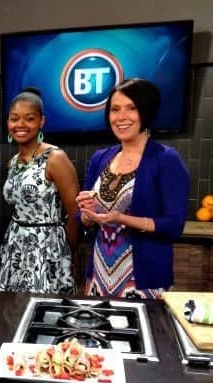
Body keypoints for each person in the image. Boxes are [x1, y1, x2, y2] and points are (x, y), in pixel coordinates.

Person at [76, 78, 189, 298]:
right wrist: (88, 213)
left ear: (146, 112)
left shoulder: (166, 159)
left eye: (131, 108)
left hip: (143, 280)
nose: (121, 117)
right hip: (99, 276)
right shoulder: (100, 158)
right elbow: (82, 218)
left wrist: (122, 219)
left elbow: (174, 226)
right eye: (115, 109)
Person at [0, 87, 79, 294]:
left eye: (29, 119)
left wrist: (66, 255)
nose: (20, 125)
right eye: (14, 119)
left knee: (45, 314)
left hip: (47, 249)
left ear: (41, 122)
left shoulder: (55, 158)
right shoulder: (12, 163)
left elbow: (76, 213)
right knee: (12, 314)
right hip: (15, 248)